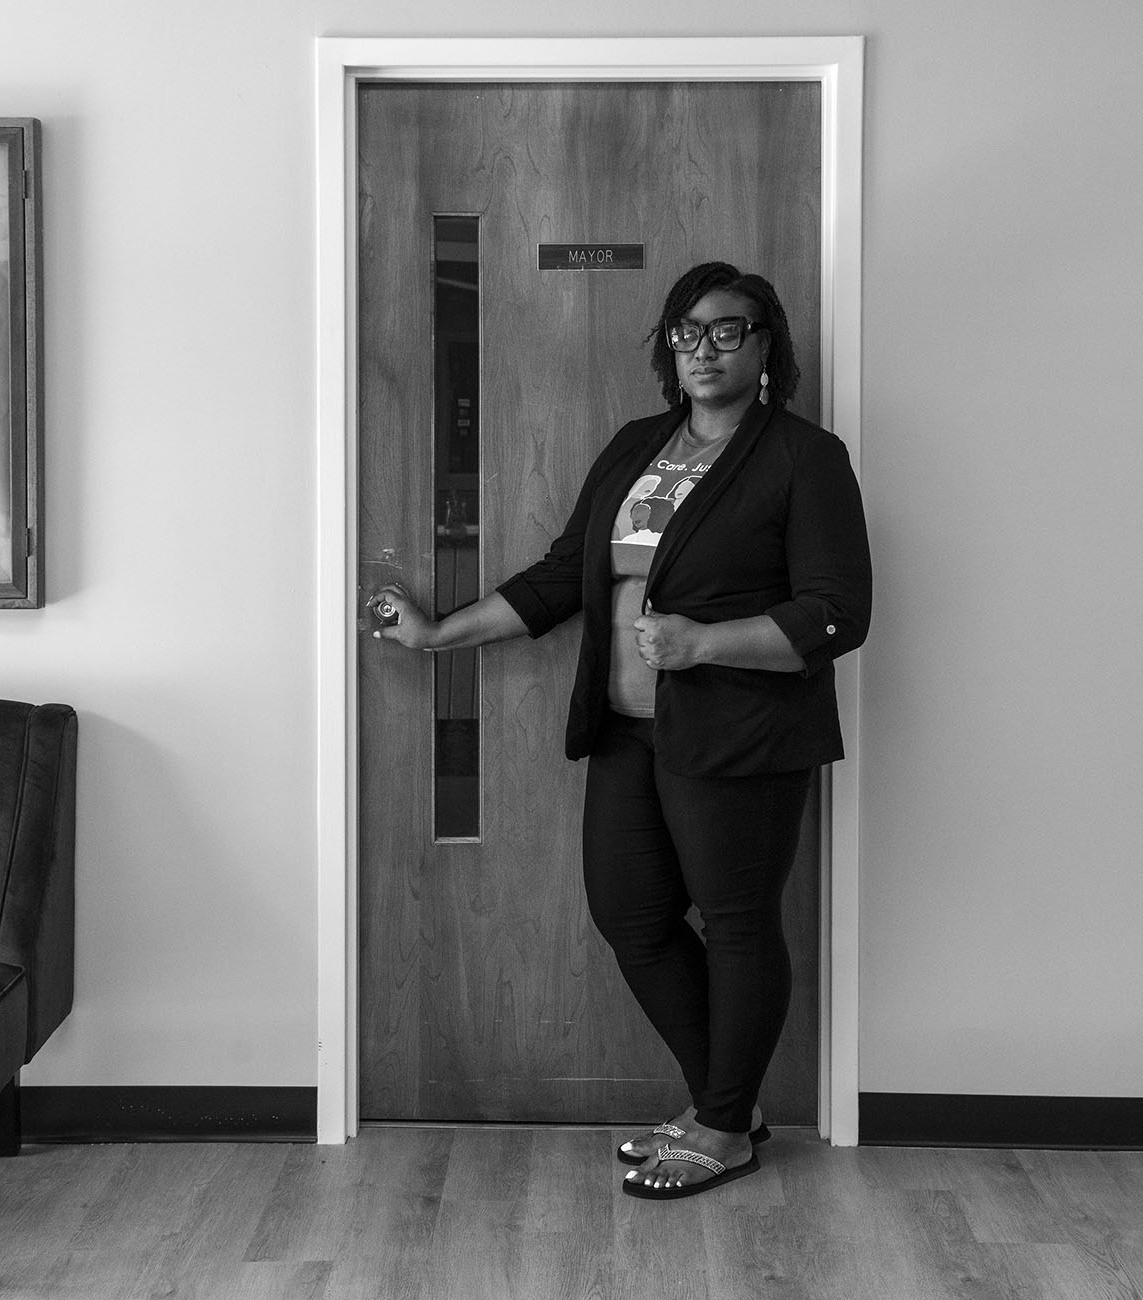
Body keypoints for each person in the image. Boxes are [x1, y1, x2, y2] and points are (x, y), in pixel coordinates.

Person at [370, 261, 870, 1200]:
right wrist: (440, 636)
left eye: (729, 329)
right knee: (631, 917)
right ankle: (734, 1103)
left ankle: (721, 1125)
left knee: (736, 923)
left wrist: (705, 641)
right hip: (627, 732)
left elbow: (840, 613)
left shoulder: (804, 458)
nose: (705, 347)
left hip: (743, 737)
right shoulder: (639, 445)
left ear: (768, 348)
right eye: (687, 331)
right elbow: (565, 577)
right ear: (667, 349)